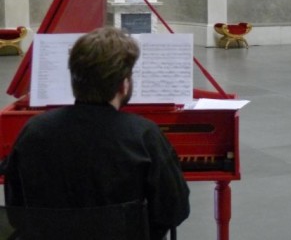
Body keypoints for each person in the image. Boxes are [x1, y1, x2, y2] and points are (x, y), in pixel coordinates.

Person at [3, 27, 190, 239]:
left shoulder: (34, 131)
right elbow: (174, 210)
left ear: (74, 80)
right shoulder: (144, 135)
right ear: (124, 85)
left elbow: (16, 211)